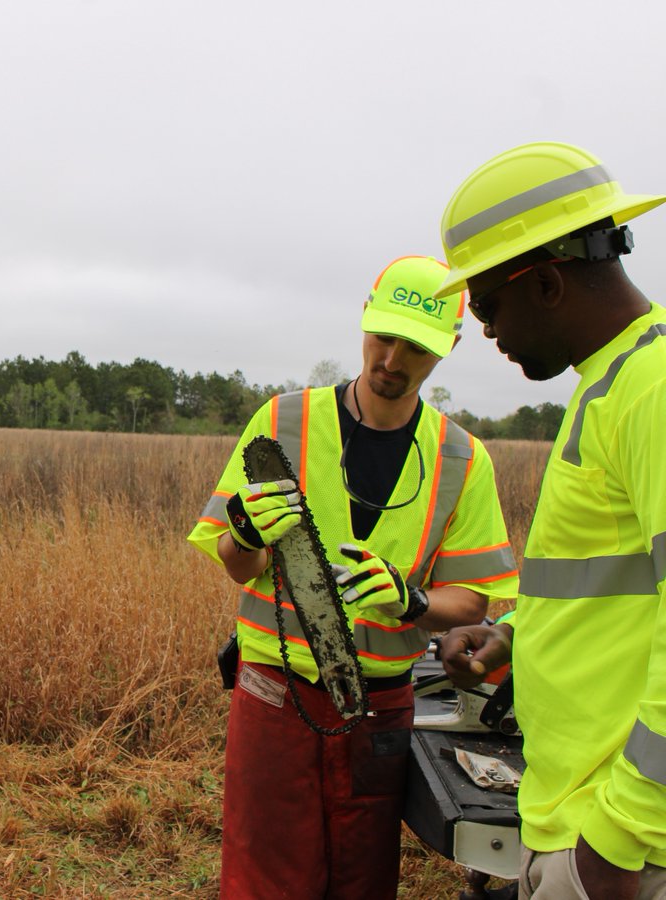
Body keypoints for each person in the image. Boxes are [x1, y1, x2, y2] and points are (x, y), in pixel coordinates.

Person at [188, 254, 519, 899]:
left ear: (447, 347)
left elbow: (472, 601)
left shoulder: (461, 458)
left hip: (382, 703)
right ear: (365, 320)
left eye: (415, 348)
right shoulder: (283, 422)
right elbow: (237, 564)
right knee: (264, 877)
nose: (392, 360)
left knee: (361, 875)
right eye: (384, 337)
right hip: (273, 689)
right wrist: (247, 533)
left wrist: (415, 600)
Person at [436, 141, 666, 900]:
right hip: (577, 818)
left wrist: (621, 839)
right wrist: (512, 639)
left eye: (486, 307)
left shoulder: (653, 390)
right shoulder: (611, 383)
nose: (485, 333)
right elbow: (611, 595)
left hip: (620, 843)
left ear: (544, 284)